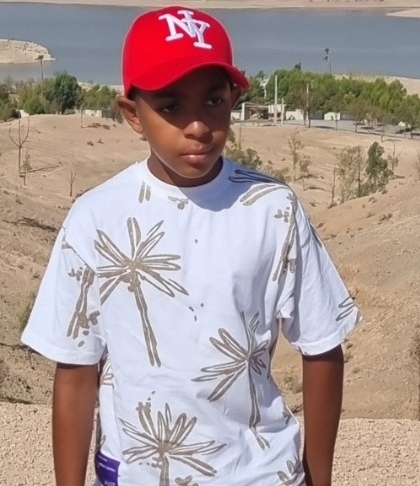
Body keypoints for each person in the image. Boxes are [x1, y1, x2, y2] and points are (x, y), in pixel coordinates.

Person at [21, 6, 360, 486]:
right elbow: (76, 370)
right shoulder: (96, 218)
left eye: (214, 101)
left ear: (234, 99)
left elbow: (323, 345)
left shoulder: (273, 209)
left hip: (259, 475)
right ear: (132, 115)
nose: (198, 125)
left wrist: (318, 478)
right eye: (171, 106)